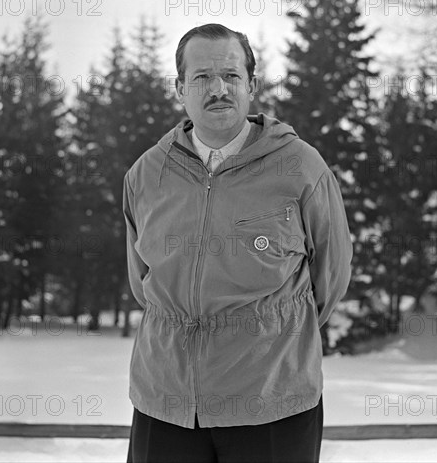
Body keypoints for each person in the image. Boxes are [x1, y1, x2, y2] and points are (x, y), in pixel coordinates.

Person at [123, 23, 353, 463]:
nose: (218, 89)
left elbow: (332, 273)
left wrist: (273, 334)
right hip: (165, 402)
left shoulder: (300, 166)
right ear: (179, 88)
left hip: (271, 401)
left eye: (230, 76)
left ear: (251, 84)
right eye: (202, 77)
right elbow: (142, 279)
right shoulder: (147, 173)